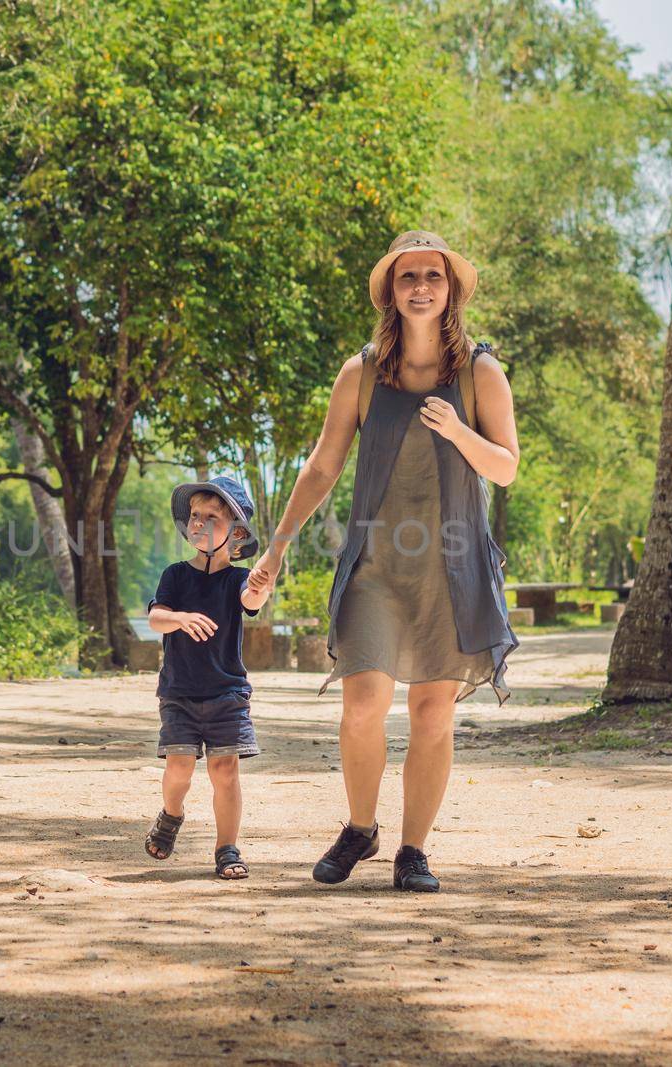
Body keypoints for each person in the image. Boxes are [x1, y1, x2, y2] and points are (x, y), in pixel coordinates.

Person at [250, 230, 520, 892]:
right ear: (391, 292)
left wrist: (458, 430)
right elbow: (322, 465)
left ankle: (414, 850)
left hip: (453, 569)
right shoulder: (363, 372)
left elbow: (506, 466)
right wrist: (275, 549)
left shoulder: (481, 372)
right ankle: (360, 828)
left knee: (433, 713)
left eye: (433, 275)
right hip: (377, 567)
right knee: (363, 702)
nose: (421, 286)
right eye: (408, 278)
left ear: (451, 289)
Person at [142, 475, 273, 879]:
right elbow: (155, 618)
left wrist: (260, 586)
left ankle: (227, 849)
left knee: (224, 771)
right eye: (194, 516)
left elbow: (251, 599)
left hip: (226, 693)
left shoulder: (238, 579)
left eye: (210, 517)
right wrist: (179, 618)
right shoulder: (176, 576)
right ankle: (171, 815)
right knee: (179, 766)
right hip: (179, 692)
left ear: (236, 534)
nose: (198, 523)